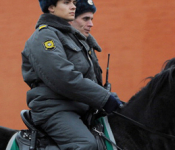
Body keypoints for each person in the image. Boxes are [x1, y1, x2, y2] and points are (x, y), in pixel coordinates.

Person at [21, 0, 122, 149]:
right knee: (86, 145)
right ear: (51, 7)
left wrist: (112, 99)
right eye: (66, 2)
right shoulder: (45, 36)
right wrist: (104, 99)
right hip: (55, 109)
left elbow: (89, 79)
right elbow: (63, 78)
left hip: (81, 108)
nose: (73, 6)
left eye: (74, 2)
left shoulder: (74, 38)